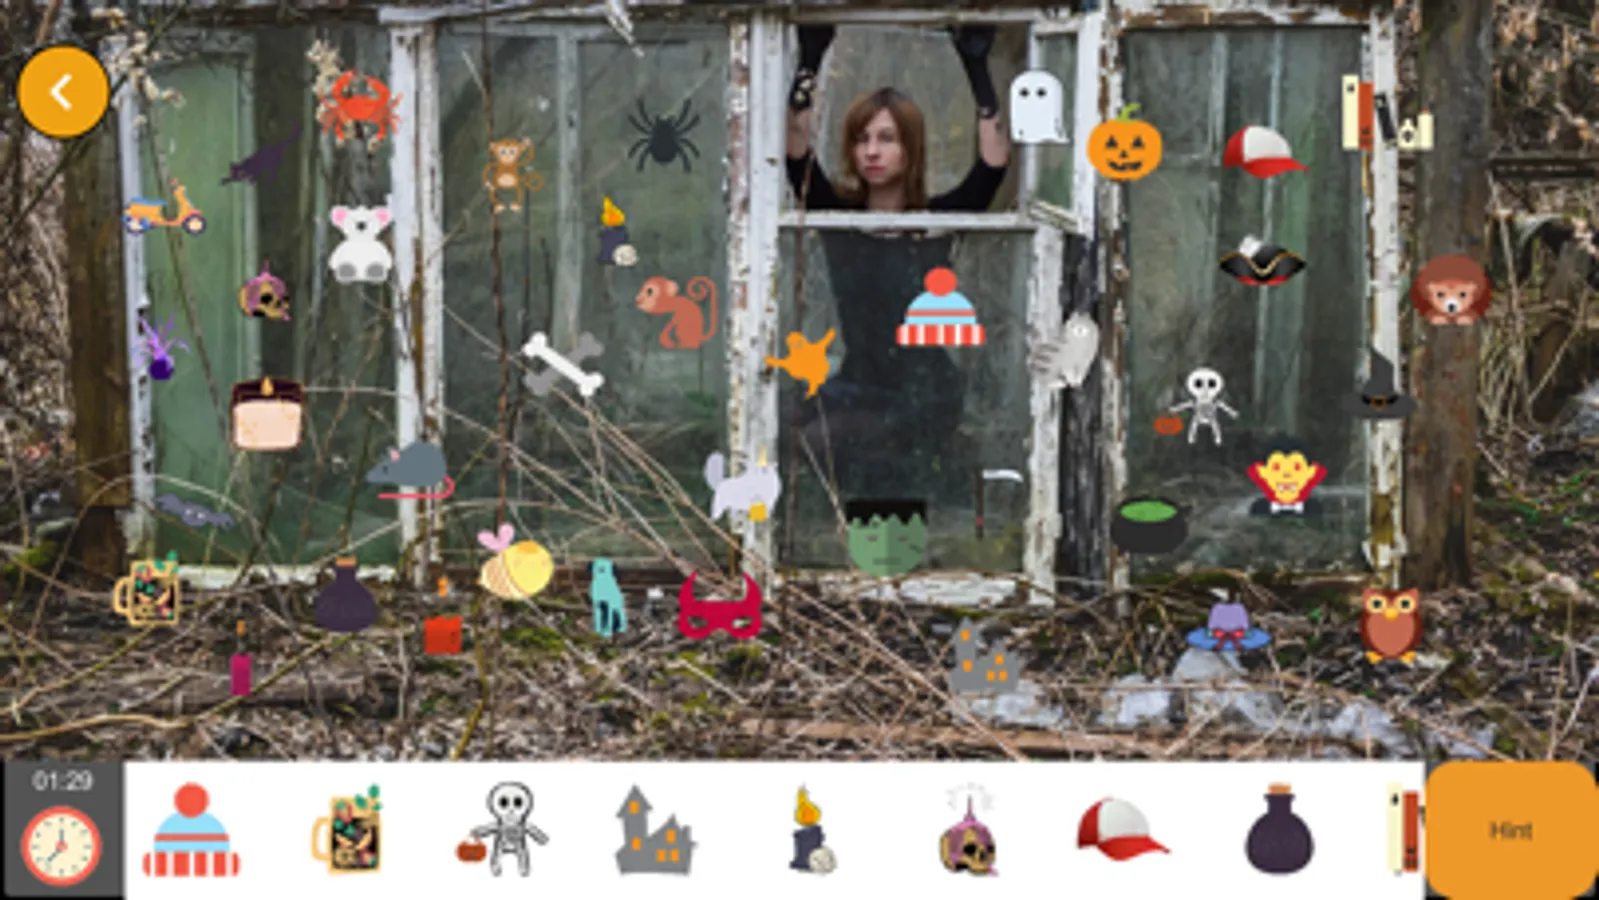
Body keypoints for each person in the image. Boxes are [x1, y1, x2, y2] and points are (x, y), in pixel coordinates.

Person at [784, 24, 1011, 497]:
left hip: (922, 389)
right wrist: (810, 58)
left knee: (820, 438)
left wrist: (976, 66)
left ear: (910, 147)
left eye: (887, 138)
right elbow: (796, 152)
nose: (872, 151)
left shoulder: (936, 219)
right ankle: (867, 501)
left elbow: (993, 165)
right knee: (781, 417)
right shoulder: (839, 215)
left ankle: (899, 495)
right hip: (859, 380)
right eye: (862, 138)